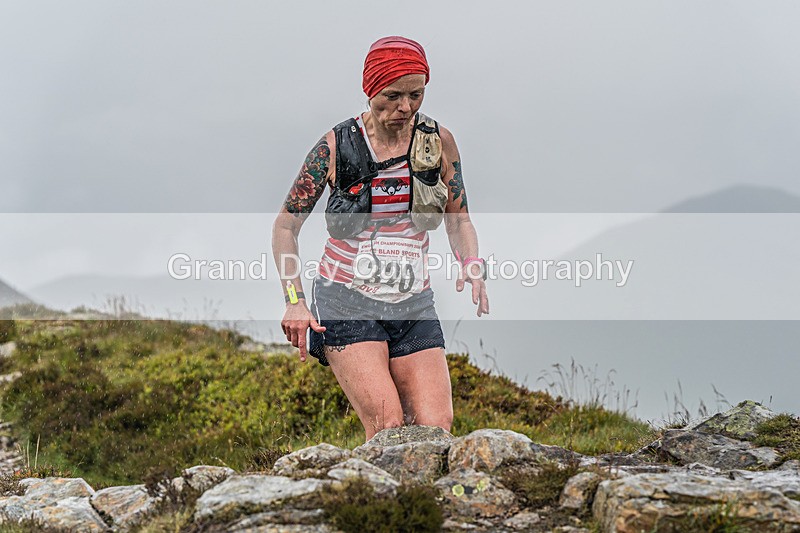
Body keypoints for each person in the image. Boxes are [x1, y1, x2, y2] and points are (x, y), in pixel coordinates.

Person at [271, 36, 489, 442]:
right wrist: (295, 301)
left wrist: (471, 264)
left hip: (413, 303)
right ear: (370, 90)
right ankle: (373, 502)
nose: (405, 107)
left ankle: (423, 505)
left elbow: (459, 220)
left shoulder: (438, 141)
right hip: (345, 301)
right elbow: (286, 226)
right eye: (393, 95)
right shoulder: (336, 147)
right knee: (387, 427)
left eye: (416, 95)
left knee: (435, 426)